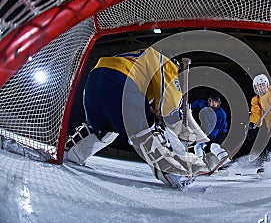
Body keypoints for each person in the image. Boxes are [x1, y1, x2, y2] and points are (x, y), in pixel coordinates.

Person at [65, 47, 209, 189]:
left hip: (95, 80)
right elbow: (169, 99)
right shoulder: (166, 63)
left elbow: (152, 104)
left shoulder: (138, 59)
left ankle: (72, 153)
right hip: (121, 81)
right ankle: (171, 170)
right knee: (146, 128)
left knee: (104, 128)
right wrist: (178, 126)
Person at [191, 95, 230, 169]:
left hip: (220, 132)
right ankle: (198, 164)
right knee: (197, 146)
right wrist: (190, 108)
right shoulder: (205, 105)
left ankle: (226, 162)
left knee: (214, 146)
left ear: (218, 104)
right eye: (211, 101)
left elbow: (217, 128)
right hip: (208, 132)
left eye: (215, 102)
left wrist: (208, 137)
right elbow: (197, 102)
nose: (213, 103)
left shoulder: (221, 114)